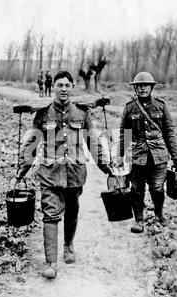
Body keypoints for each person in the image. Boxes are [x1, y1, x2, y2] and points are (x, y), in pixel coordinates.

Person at [17, 71, 114, 279]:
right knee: (50, 214)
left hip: (75, 174)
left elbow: (94, 143)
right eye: (59, 85)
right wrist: (21, 170)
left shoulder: (81, 113)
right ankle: (51, 263)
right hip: (50, 174)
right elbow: (31, 145)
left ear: (72, 88)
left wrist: (107, 168)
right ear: (53, 87)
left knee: (72, 211)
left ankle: (68, 245)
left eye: (67, 85)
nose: (63, 89)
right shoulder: (43, 114)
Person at [115, 71, 177, 233]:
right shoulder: (129, 108)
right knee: (137, 190)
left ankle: (159, 215)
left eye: (146, 86)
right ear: (135, 89)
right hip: (137, 156)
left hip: (159, 155)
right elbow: (124, 134)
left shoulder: (161, 106)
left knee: (157, 188)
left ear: (151, 87)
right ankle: (139, 220)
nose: (143, 88)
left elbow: (169, 133)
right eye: (139, 86)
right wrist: (120, 156)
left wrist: (176, 157)